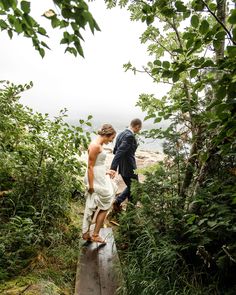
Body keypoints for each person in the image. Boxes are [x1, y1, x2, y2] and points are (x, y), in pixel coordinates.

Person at [82, 124, 117, 244]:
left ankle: (88, 233)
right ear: (107, 135)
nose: (112, 141)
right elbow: (90, 167)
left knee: (99, 202)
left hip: (100, 175)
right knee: (103, 202)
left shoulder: (100, 145)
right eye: (112, 138)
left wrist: (107, 171)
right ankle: (93, 234)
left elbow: (98, 163)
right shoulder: (95, 146)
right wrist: (91, 186)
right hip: (94, 177)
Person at [110, 118, 142, 212]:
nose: (139, 131)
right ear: (137, 126)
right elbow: (119, 152)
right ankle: (129, 213)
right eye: (139, 129)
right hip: (130, 168)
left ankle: (118, 202)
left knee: (131, 187)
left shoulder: (120, 134)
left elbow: (115, 150)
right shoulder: (129, 136)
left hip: (122, 168)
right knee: (135, 188)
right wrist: (113, 168)